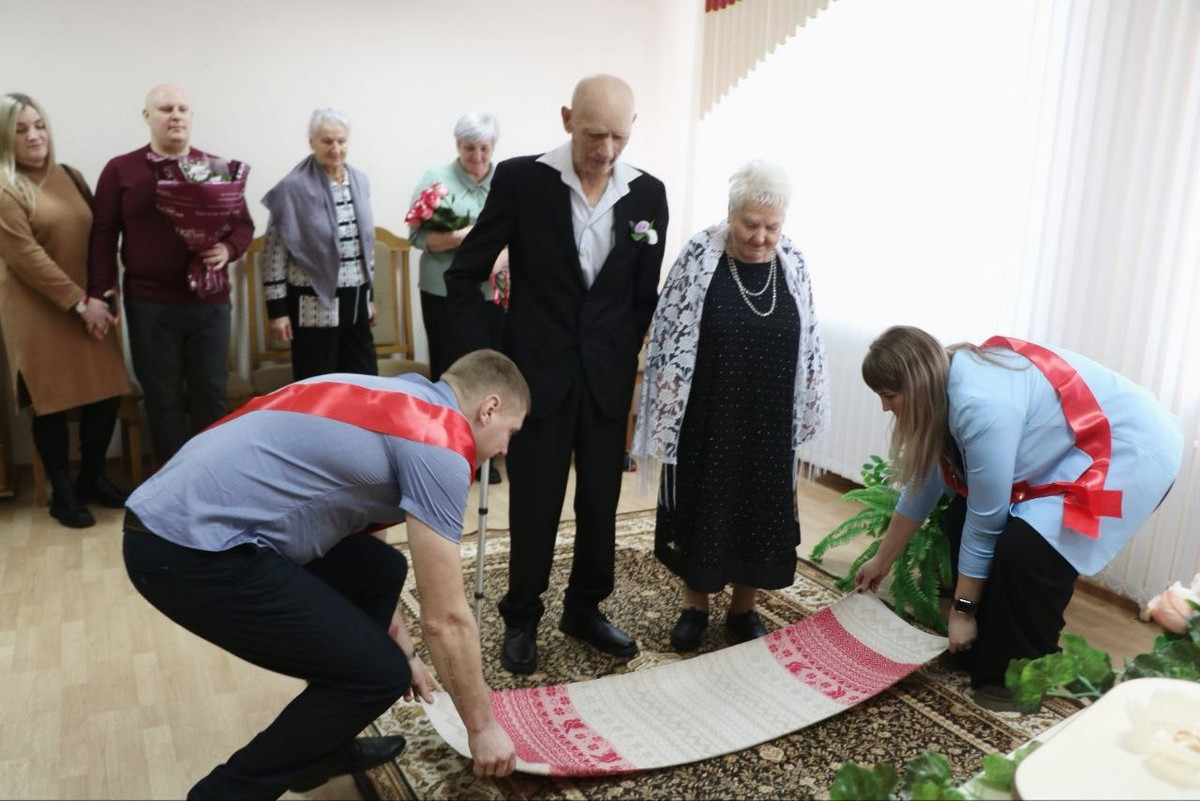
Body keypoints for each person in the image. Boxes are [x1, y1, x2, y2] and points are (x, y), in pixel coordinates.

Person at [122, 349, 525, 798]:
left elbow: (364, 537)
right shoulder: (441, 442)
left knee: (380, 570)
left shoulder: (408, 396)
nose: (505, 448)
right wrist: (482, 728)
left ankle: (323, 748)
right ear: (489, 408)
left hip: (174, 521)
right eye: (511, 432)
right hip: (185, 550)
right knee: (378, 675)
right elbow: (445, 619)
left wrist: (405, 646)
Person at [445, 75, 669, 674]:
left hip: (606, 378)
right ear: (567, 118)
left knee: (599, 502)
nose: (605, 150)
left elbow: (642, 293)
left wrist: (623, 352)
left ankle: (585, 609)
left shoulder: (649, 195)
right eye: (593, 134)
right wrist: (488, 363)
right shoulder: (522, 180)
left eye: (618, 136)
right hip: (533, 379)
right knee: (536, 504)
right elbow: (464, 274)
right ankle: (521, 616)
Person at [853, 326, 1183, 708]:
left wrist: (962, 611)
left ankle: (1023, 677)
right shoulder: (943, 382)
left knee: (1030, 552)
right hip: (1077, 444)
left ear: (917, 383)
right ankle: (982, 652)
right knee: (957, 518)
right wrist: (881, 560)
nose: (885, 408)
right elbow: (923, 486)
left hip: (1133, 447)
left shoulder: (979, 403)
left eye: (889, 395)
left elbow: (986, 520)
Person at [630, 160, 830, 651]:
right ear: (730, 214)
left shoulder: (793, 263)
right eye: (750, 224)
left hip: (769, 417)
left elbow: (809, 341)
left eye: (772, 227)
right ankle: (695, 607)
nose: (761, 237)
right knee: (705, 506)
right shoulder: (700, 257)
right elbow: (669, 336)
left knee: (759, 509)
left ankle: (744, 609)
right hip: (710, 413)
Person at [88, 84, 255, 466]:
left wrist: (228, 250)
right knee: (162, 399)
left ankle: (211, 478)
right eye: (165, 109)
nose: (175, 115)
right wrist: (99, 290)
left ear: (191, 116)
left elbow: (243, 225)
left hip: (209, 303)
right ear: (147, 116)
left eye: (182, 108)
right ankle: (173, 483)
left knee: (210, 395)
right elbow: (103, 234)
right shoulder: (120, 170)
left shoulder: (215, 168)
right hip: (149, 304)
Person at [0, 93, 132, 528]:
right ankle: (63, 493)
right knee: (51, 402)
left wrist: (105, 294)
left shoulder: (71, 176)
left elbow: (100, 237)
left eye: (39, 125)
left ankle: (92, 476)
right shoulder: (5, 188)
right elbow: (27, 259)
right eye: (20, 130)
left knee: (107, 392)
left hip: (89, 305)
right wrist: (79, 302)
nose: (34, 136)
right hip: (39, 311)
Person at [409, 111, 507, 483]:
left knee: (491, 372)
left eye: (484, 148)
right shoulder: (436, 181)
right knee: (453, 372)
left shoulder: (506, 181)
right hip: (444, 293)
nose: (477, 156)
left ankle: (485, 456)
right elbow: (419, 238)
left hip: (493, 294)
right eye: (469, 148)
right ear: (457, 145)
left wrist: (502, 258)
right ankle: (449, 453)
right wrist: (461, 237)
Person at [261, 107, 378, 382]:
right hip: (312, 309)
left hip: (356, 303)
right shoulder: (292, 188)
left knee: (363, 384)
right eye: (327, 141)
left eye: (341, 141)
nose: (335, 148)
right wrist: (278, 312)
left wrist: (370, 298)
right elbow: (273, 256)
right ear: (311, 141)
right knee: (318, 386)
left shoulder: (359, 181)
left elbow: (365, 246)